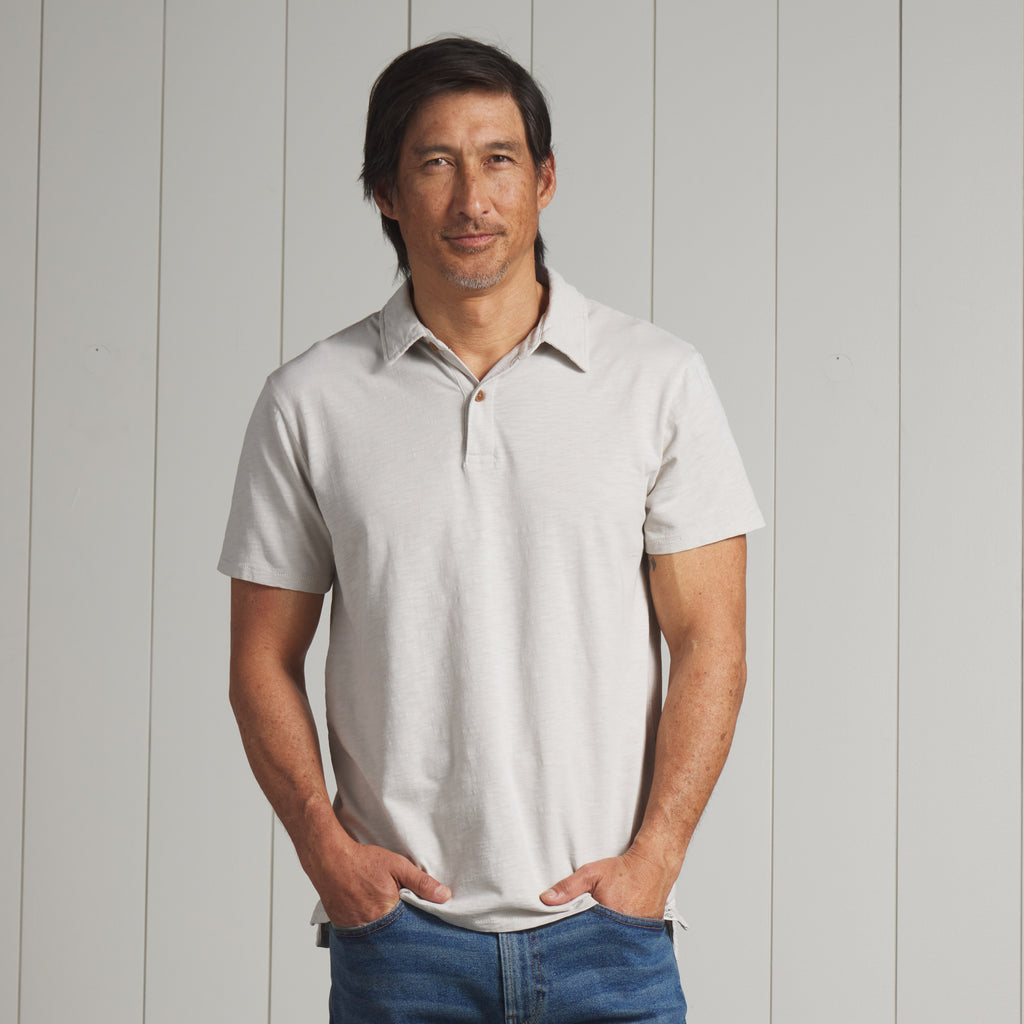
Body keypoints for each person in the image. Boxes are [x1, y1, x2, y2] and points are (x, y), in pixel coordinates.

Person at [219, 36, 763, 1024]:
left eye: (498, 159)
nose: (472, 199)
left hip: (609, 934)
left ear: (544, 179)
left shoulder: (657, 381)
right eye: (435, 163)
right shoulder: (310, 401)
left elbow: (710, 642)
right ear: (386, 193)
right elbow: (260, 659)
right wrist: (328, 855)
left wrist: (656, 860)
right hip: (402, 945)